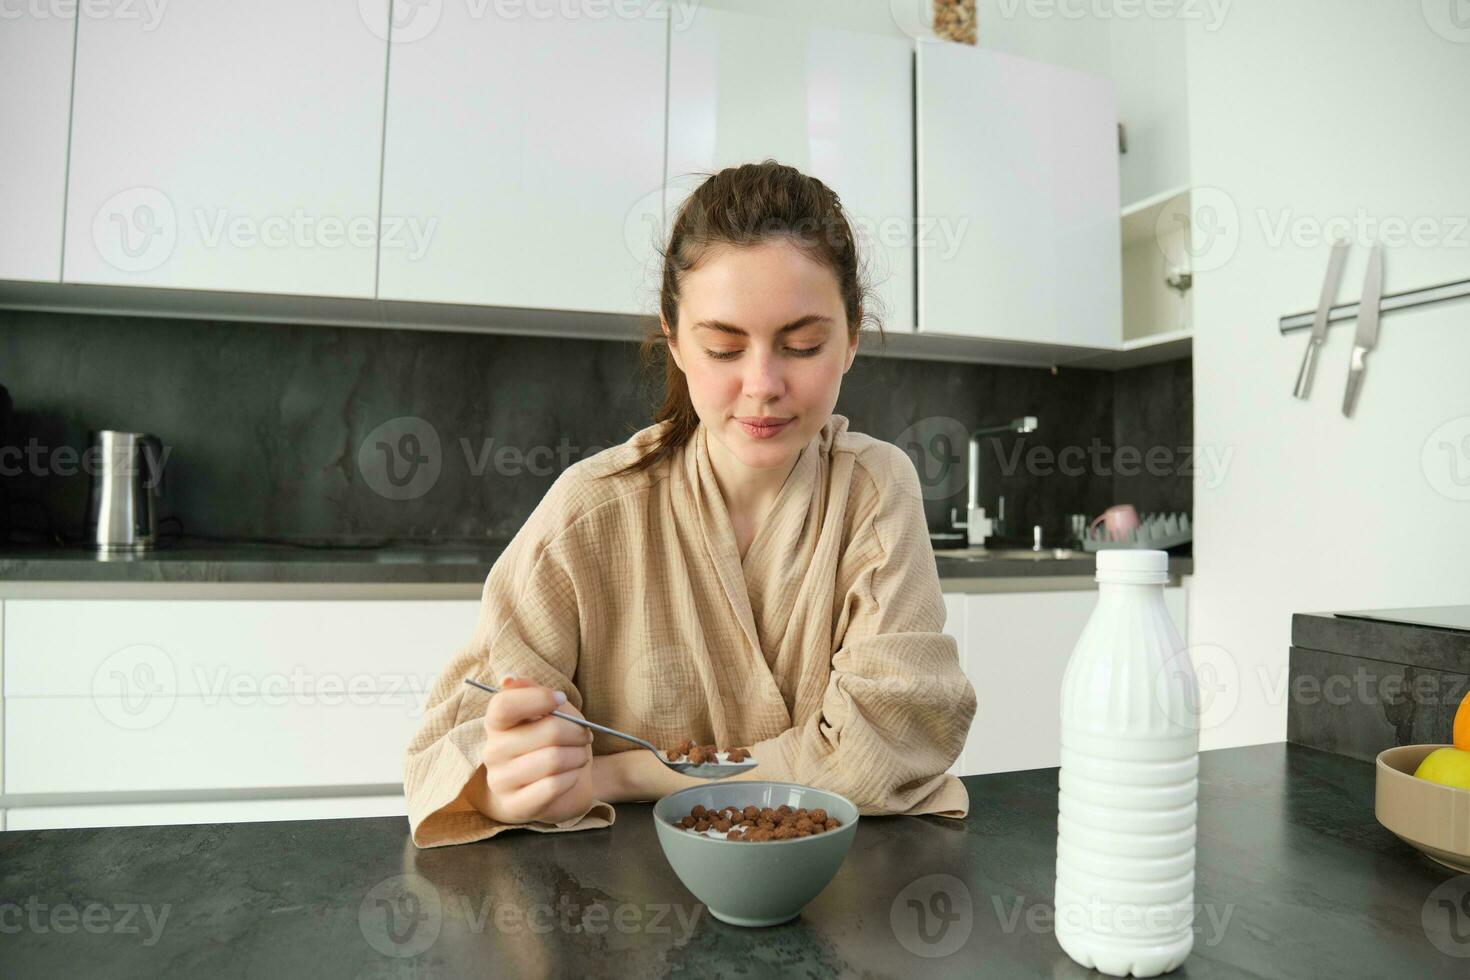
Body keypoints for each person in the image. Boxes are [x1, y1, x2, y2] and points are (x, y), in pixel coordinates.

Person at [403, 160, 977, 847]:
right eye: (723, 347)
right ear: (675, 341)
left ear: (852, 337)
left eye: (803, 345)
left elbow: (877, 750)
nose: (762, 384)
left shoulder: (876, 490)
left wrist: (618, 777)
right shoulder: (591, 511)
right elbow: (452, 745)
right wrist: (508, 778)